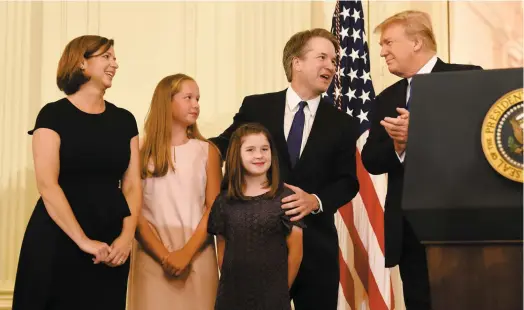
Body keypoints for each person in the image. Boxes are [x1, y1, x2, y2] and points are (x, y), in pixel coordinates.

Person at [210, 28, 359, 310]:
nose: (331, 66)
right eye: (322, 57)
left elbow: (347, 181)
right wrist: (182, 146)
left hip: (316, 250)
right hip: (256, 249)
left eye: (334, 61)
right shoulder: (257, 106)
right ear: (297, 63)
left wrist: (315, 201)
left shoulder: (343, 123)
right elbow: (225, 144)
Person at [361, 10, 482, 309]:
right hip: (409, 231)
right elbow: (372, 159)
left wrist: (422, 133)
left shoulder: (467, 78)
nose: (382, 51)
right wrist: (400, 145)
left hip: (460, 227)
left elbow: (481, 141)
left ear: (416, 42)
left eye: (389, 42)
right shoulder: (386, 98)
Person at [12, 35, 141, 310]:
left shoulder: (125, 120)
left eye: (115, 58)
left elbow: (132, 185)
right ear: (82, 62)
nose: (115, 64)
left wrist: (126, 238)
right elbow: (47, 185)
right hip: (58, 238)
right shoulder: (52, 115)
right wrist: (83, 241)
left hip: (110, 241)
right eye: (106, 57)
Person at [127, 74, 221, 310]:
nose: (196, 104)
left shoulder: (207, 151)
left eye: (198, 98)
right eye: (188, 97)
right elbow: (134, 208)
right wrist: (164, 256)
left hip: (197, 253)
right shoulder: (138, 153)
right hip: (151, 255)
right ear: (165, 102)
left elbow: (214, 208)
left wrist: (186, 254)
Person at [208, 123, 304, 310]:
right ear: (237, 154)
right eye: (250, 150)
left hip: (273, 297)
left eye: (264, 149)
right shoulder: (224, 201)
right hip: (232, 296)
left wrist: (281, 290)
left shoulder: (286, 198)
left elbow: (296, 253)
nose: (259, 155)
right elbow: (222, 247)